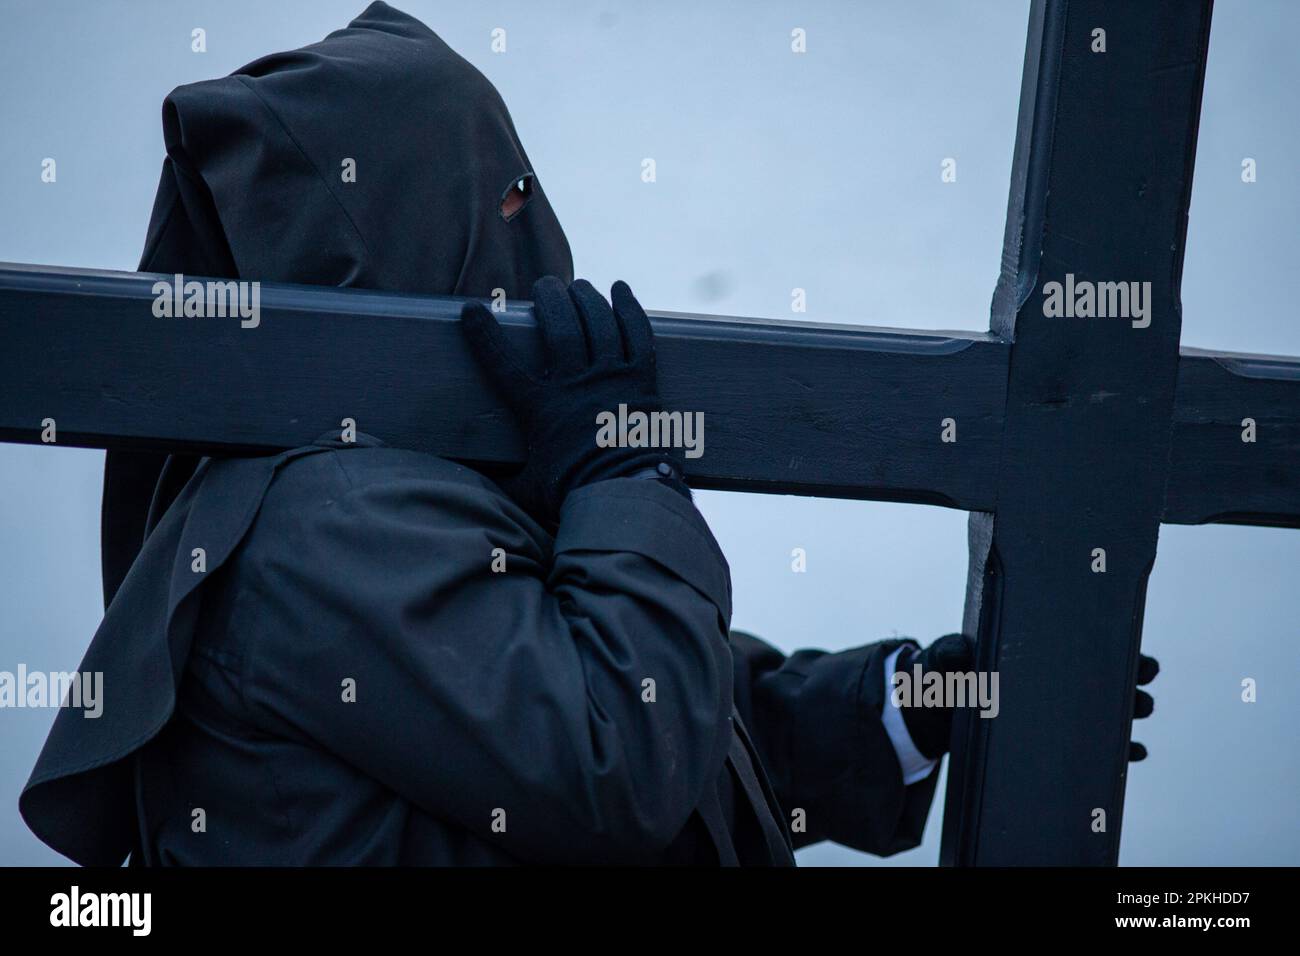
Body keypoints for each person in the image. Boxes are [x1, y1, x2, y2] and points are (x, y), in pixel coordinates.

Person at [20, 2, 1155, 866]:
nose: (534, 220)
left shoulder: (394, 481)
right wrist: (624, 470)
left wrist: (889, 709)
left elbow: (644, 708)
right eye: (502, 195)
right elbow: (619, 754)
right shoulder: (322, 528)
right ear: (409, 224)